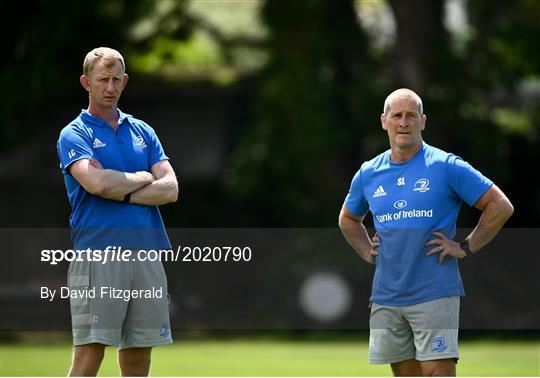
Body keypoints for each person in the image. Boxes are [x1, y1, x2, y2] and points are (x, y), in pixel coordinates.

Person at [338, 88, 513, 377]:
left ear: (423, 121)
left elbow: (500, 205)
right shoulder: (368, 173)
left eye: (411, 115)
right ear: (384, 121)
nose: (403, 122)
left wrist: (465, 247)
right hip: (388, 295)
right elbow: (348, 218)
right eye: (397, 115)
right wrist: (367, 250)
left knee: (437, 372)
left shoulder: (445, 165)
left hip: (434, 291)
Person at [57, 47, 178, 376]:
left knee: (139, 356)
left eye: (115, 80)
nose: (110, 88)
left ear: (125, 81)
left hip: (147, 254)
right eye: (102, 80)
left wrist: (120, 190)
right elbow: (96, 183)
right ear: (86, 82)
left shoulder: (143, 131)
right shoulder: (74, 133)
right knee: (89, 355)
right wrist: (142, 178)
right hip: (99, 255)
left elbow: (171, 189)